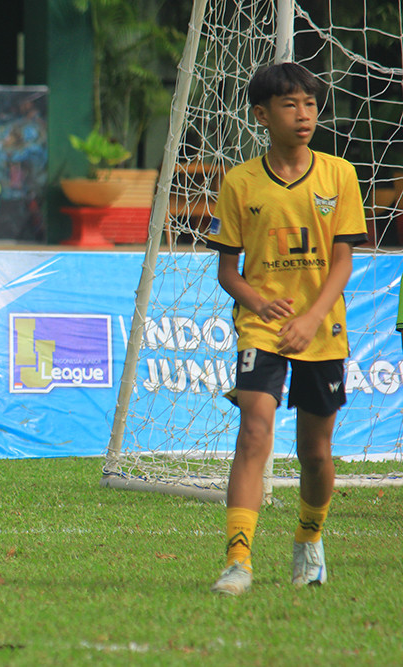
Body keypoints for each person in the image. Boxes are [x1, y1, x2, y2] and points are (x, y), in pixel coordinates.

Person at [205, 62, 367, 595]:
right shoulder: (239, 182)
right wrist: (259, 301)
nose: (304, 115)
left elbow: (342, 262)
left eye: (311, 104)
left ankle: (308, 537)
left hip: (320, 327)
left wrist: (312, 317)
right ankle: (238, 561)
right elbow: (228, 270)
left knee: (315, 451)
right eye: (291, 105)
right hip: (262, 328)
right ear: (262, 115)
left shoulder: (340, 175)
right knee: (254, 428)